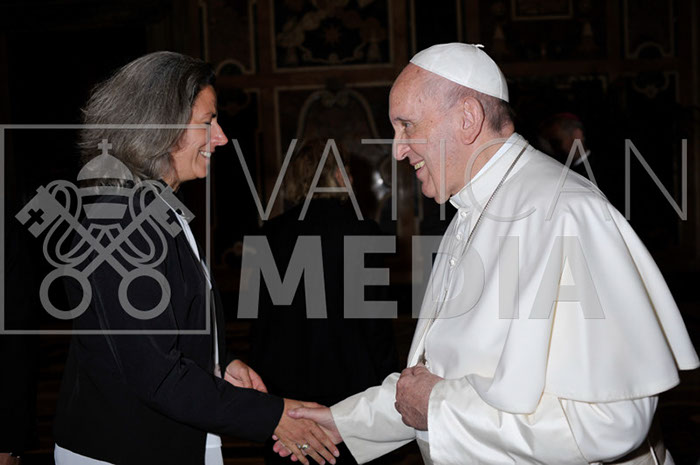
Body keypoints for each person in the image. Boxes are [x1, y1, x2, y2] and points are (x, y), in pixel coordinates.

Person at [275, 43, 699, 464]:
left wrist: (439, 408)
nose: (397, 149)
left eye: (406, 125)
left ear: (467, 118)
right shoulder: (471, 211)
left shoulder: (565, 212)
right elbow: (441, 379)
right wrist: (342, 422)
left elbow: (610, 423)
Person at [52, 51, 338, 465]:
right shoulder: (121, 220)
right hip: (123, 448)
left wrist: (220, 362)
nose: (220, 137)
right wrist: (272, 416)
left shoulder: (154, 207)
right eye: (207, 122)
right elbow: (156, 376)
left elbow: (165, 329)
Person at [247, 140, 399, 465]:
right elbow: (377, 327)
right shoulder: (362, 232)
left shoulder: (266, 235)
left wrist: (264, 407)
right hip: (350, 395)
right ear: (338, 176)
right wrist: (388, 397)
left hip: (285, 398)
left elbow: (258, 329)